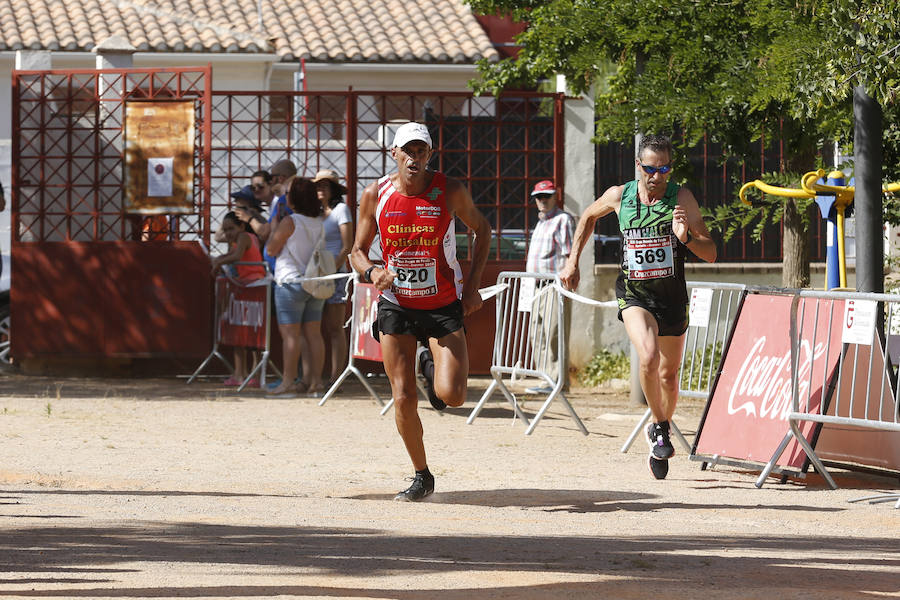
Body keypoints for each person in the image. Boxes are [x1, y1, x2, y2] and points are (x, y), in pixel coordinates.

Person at [559, 134, 716, 480]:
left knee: (668, 375)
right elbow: (588, 217)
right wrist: (572, 262)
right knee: (648, 356)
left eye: (664, 170)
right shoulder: (620, 195)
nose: (657, 176)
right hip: (634, 295)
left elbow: (711, 252)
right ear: (638, 166)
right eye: (650, 169)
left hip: (672, 298)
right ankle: (659, 426)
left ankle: (661, 428)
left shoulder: (682, 199)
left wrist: (686, 237)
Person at [350, 121, 491, 502]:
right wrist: (372, 272)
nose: (414, 158)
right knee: (402, 397)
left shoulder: (449, 190)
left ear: (430, 154)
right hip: (396, 303)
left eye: (421, 151)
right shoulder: (375, 194)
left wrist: (471, 287)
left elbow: (483, 230)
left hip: (442, 303)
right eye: (408, 151)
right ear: (393, 154)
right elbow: (356, 252)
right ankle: (421, 475)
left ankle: (429, 362)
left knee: (453, 396)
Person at [265, 177, 327, 398]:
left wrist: (274, 228)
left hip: (290, 282)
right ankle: (316, 382)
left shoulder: (289, 221)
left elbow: (271, 249)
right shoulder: (319, 222)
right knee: (314, 334)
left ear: (294, 198)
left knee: (291, 336)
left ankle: (288, 381)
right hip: (314, 283)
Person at [524, 179, 575, 395]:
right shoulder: (541, 222)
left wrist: (567, 284)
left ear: (555, 197)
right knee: (537, 334)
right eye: (539, 197)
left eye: (546, 196)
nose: (542, 200)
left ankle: (558, 383)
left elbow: (570, 255)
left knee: (555, 333)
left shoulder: (563, 219)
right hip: (534, 286)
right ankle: (546, 380)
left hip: (553, 286)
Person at [211, 211, 267, 387]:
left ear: (242, 226)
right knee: (246, 332)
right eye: (225, 230)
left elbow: (236, 257)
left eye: (231, 229)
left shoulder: (243, 237)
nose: (228, 233)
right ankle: (246, 373)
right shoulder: (245, 239)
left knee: (246, 333)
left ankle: (246, 374)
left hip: (251, 287)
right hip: (249, 286)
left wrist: (218, 261)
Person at [314, 169, 354, 384]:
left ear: (334, 189)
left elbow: (347, 246)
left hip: (335, 275)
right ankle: (315, 376)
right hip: (316, 274)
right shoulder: (316, 212)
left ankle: (336, 377)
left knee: (335, 327)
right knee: (313, 326)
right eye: (318, 185)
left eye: (325, 185)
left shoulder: (341, 210)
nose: (320, 189)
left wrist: (331, 271)